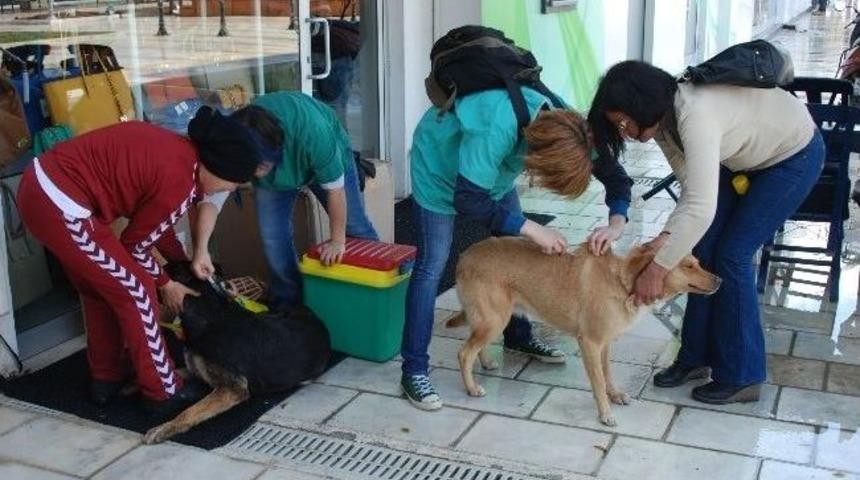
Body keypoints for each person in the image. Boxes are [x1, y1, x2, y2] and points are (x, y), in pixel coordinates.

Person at [588, 60, 823, 404]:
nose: (623, 131)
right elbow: (691, 188)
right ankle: (695, 358)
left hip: (792, 156)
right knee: (704, 246)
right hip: (741, 159)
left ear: (642, 104)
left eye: (623, 121)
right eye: (617, 125)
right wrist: (666, 238)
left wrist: (656, 270)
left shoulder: (695, 114)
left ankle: (743, 375)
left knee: (732, 255)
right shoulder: (663, 120)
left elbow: (701, 207)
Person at [16, 108, 267, 414]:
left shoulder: (182, 157)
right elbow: (134, 246)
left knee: (101, 290)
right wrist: (166, 283)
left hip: (44, 189)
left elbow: (157, 226)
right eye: (233, 182)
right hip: (60, 203)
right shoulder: (180, 179)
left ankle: (106, 378)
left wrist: (182, 262)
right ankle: (163, 391)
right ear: (216, 167)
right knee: (138, 291)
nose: (230, 189)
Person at [402, 85, 634, 410]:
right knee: (432, 266)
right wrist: (532, 228)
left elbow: (617, 179)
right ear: (538, 158)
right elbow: (469, 199)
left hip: (492, 176)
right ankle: (413, 369)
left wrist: (616, 224)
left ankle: (518, 337)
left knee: (520, 254)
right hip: (439, 169)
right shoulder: (497, 127)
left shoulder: (571, 131)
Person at [189, 91, 379, 310]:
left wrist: (337, 241)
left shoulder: (313, 132)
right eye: (249, 170)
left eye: (261, 168)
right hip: (280, 172)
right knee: (273, 237)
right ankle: (290, 308)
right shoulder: (234, 142)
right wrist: (201, 248)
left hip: (323, 154)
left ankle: (378, 291)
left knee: (355, 226)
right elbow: (212, 200)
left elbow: (336, 192)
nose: (254, 176)